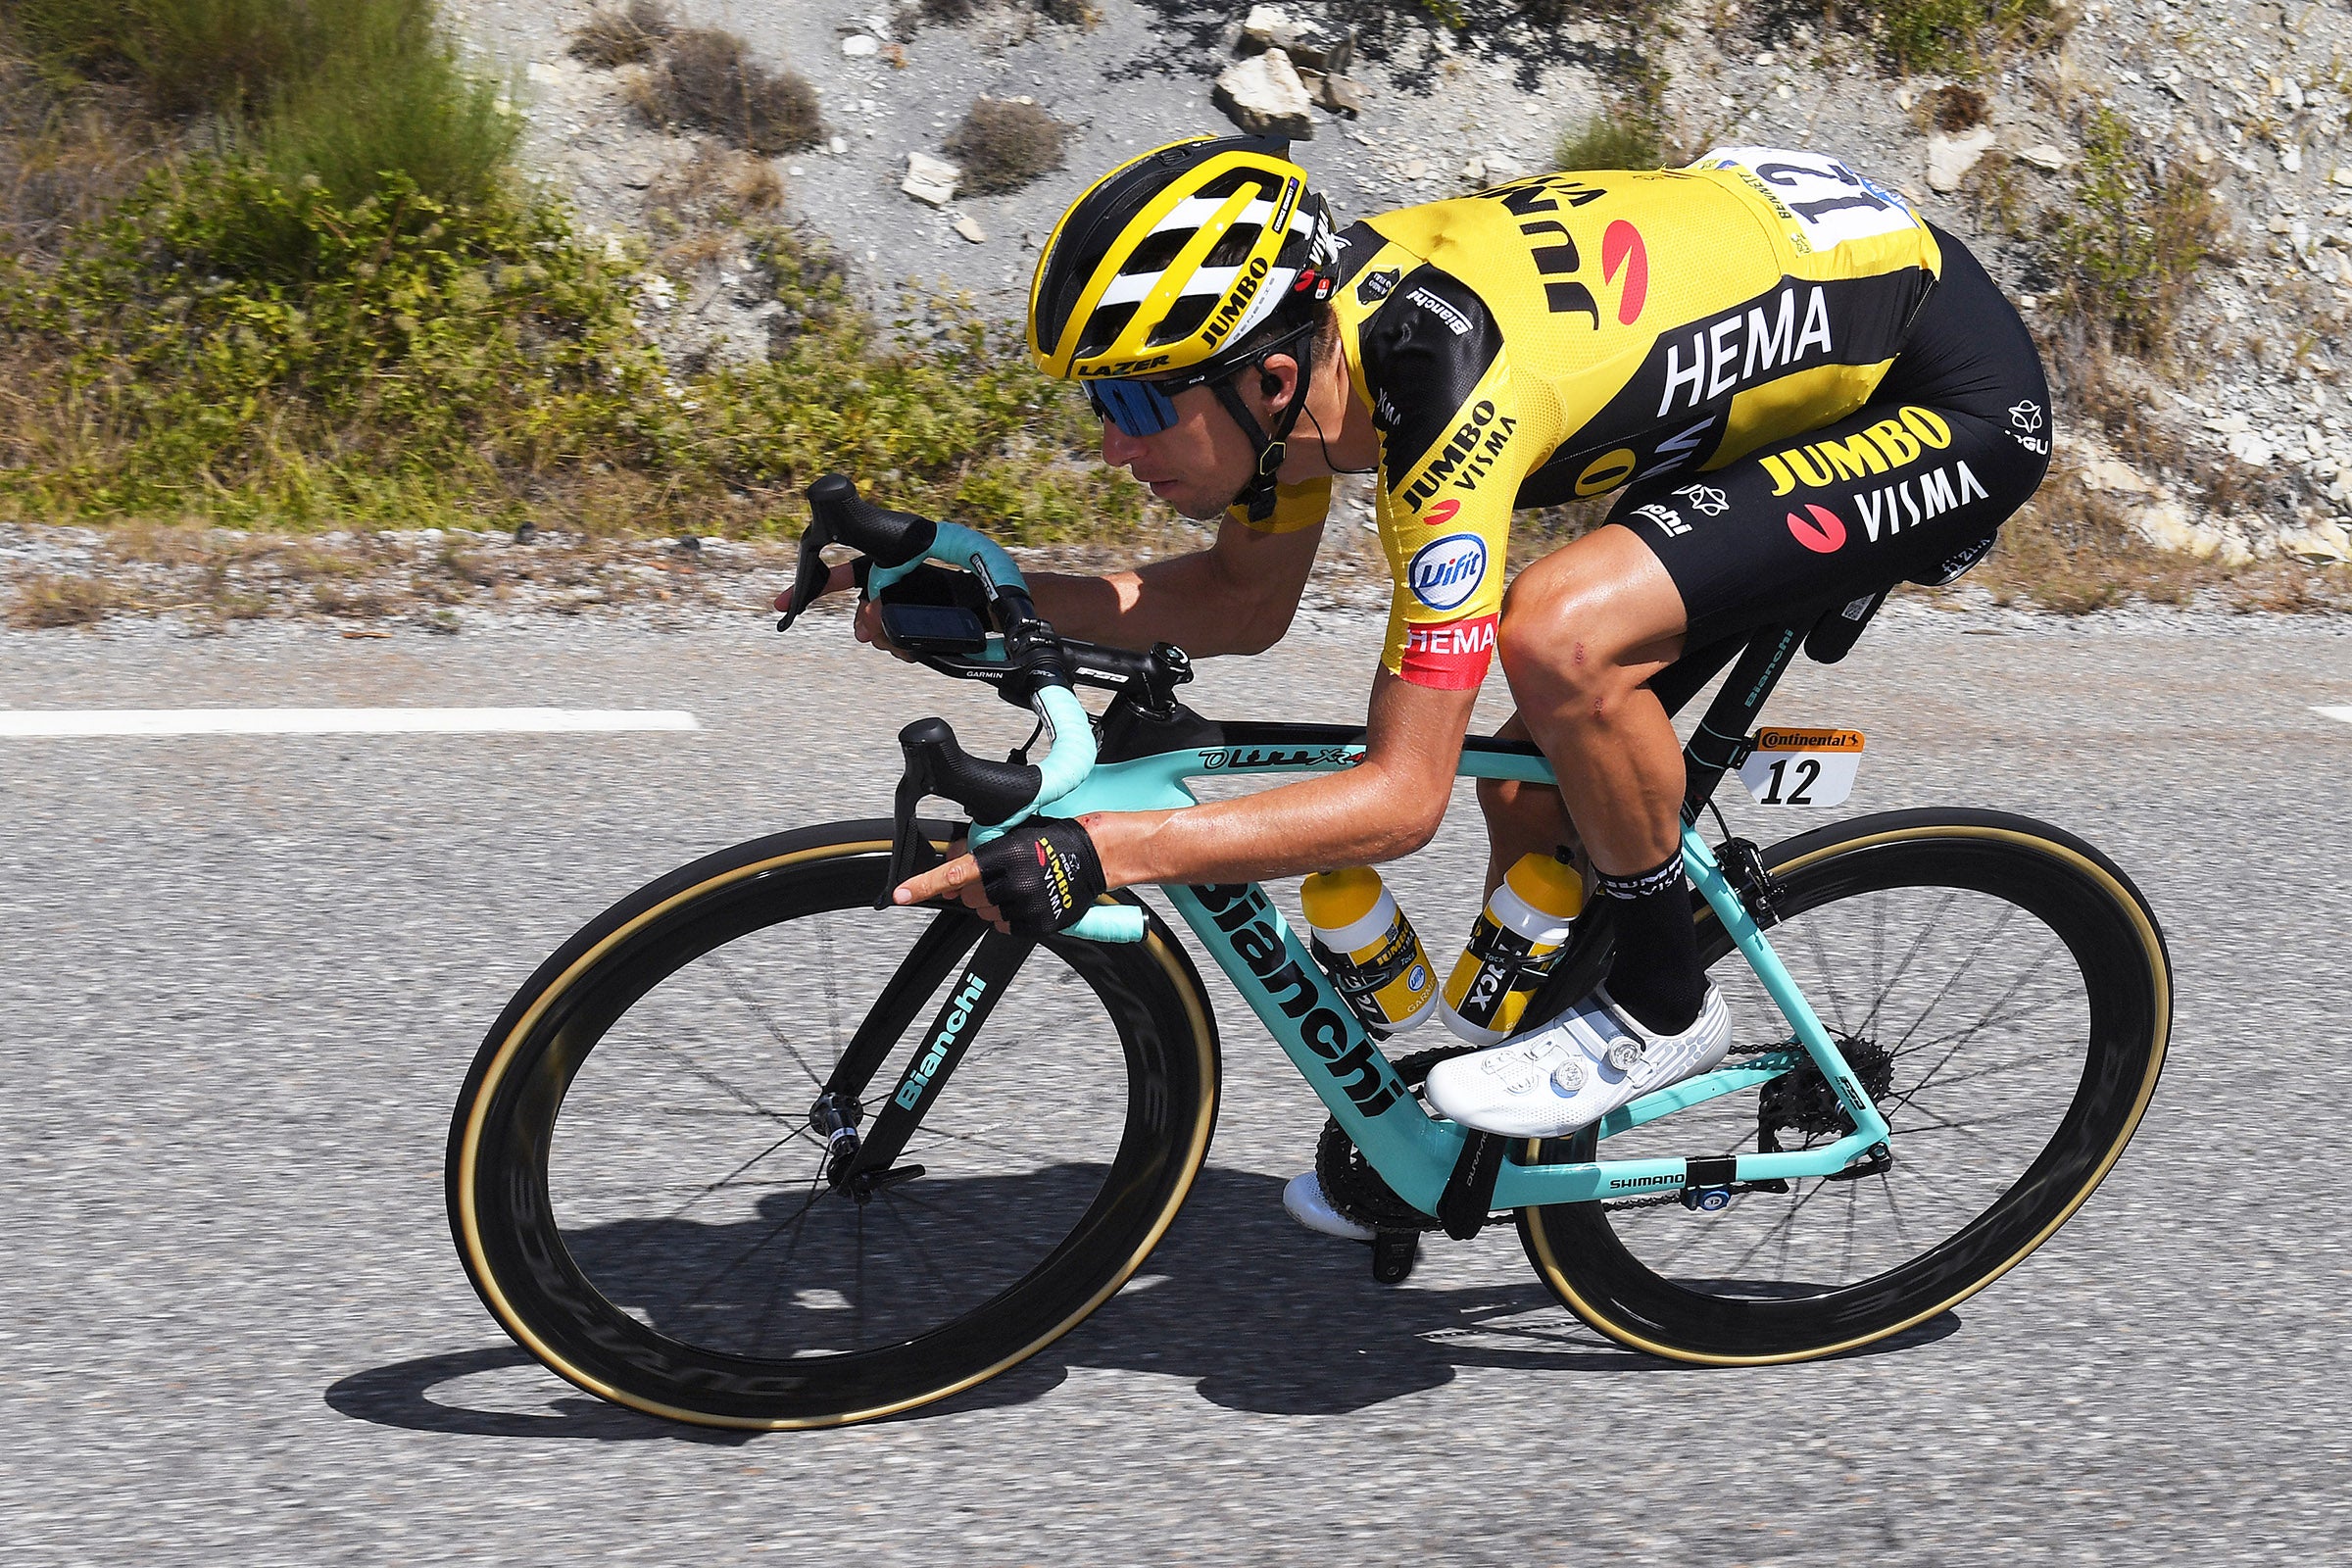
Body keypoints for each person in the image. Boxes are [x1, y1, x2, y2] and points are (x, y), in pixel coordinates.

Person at [818, 133, 2051, 1149]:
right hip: (1776, 288)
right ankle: (1492, 1132)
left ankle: (1667, 1008)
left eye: (1138, 402)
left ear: (1268, 380)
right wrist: (997, 593)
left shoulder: (1440, 387)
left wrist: (1104, 849)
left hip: (1939, 388)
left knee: (1560, 636)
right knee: (1534, 804)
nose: (1111, 444)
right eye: (1102, 402)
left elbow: (1398, 799)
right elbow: (1245, 606)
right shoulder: (1297, 362)